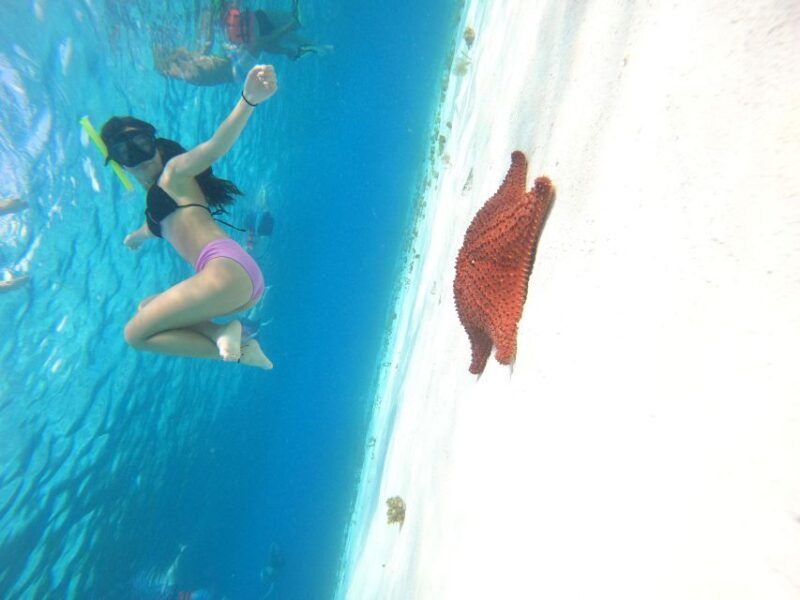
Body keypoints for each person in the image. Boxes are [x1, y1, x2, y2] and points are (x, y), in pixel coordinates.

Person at [100, 64, 276, 369]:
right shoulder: (158, 208)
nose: (138, 157)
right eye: (126, 152)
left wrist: (248, 100)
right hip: (235, 283)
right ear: (120, 165)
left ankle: (242, 349)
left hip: (225, 271)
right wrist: (134, 238)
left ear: (156, 145)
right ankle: (222, 332)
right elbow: (151, 228)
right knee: (147, 306)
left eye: (142, 144)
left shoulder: (174, 173)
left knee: (135, 335)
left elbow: (214, 147)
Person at [152, 1, 332, 87]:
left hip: (235, 69)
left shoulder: (192, 65)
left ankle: (298, 51)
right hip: (236, 70)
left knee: (266, 43)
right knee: (261, 42)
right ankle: (296, 26)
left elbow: (205, 45)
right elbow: (197, 60)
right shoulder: (190, 72)